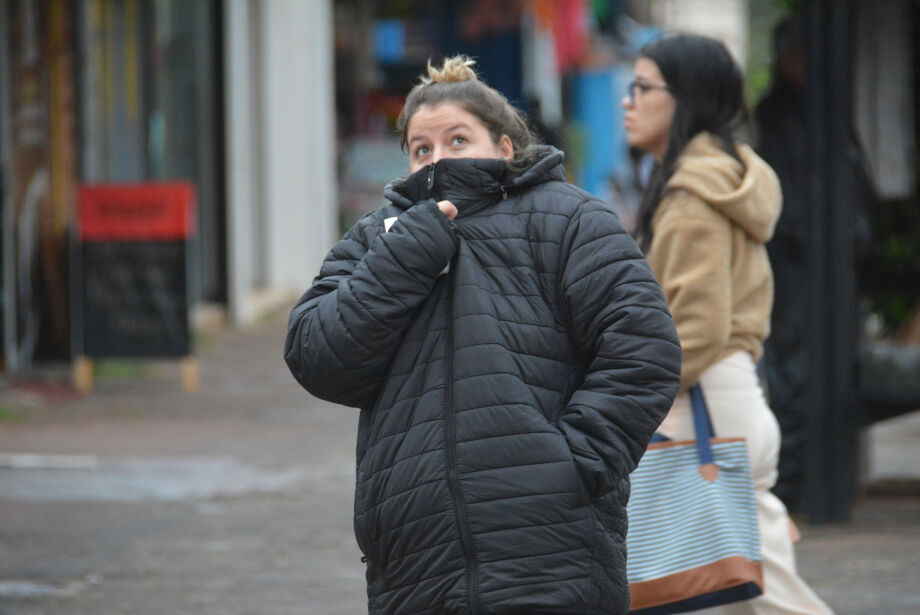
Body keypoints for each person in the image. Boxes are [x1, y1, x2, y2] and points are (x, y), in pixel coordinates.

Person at [285, 55, 681, 614]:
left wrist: (571, 467)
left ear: (503, 147)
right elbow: (317, 356)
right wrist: (406, 257)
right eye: (422, 149)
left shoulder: (570, 220)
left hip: (551, 555)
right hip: (415, 564)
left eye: (458, 139)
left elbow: (645, 349)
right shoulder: (379, 239)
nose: (438, 159)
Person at [622, 33, 834, 614]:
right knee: (729, 593)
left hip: (707, 408)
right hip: (726, 399)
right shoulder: (719, 177)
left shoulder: (693, 195)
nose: (627, 101)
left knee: (761, 593)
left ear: (684, 97)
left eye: (642, 87)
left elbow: (696, 326)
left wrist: (623, 389)